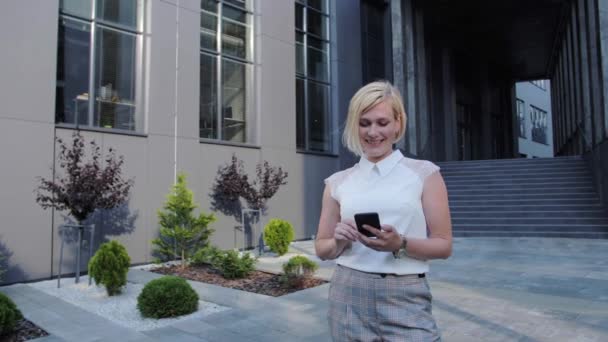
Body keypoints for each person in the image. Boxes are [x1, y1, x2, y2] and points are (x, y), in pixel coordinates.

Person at [315, 81, 452, 341]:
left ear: (398, 123)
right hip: (348, 294)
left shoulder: (425, 173)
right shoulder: (337, 182)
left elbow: (444, 246)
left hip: (406, 292)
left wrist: (399, 244)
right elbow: (322, 249)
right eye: (364, 123)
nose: (373, 132)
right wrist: (340, 241)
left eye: (382, 122)